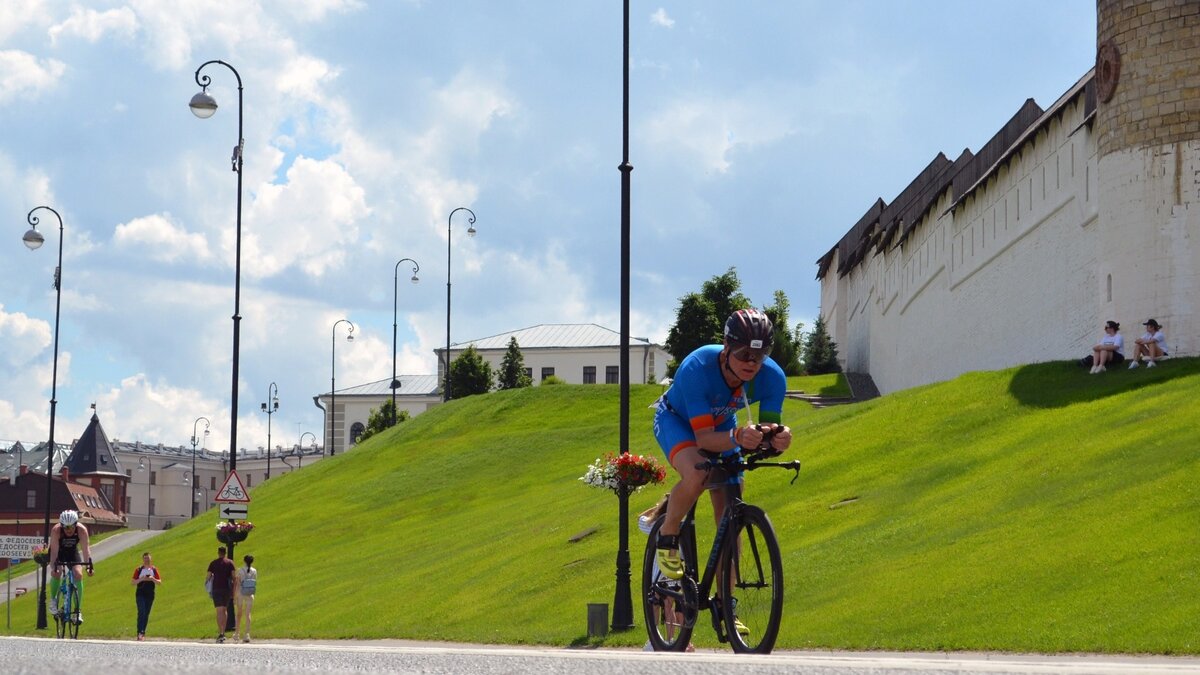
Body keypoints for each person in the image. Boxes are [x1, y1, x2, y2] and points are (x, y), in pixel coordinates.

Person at [651, 308, 793, 631]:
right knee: (698, 471)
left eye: (760, 355)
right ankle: (667, 535)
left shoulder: (772, 378)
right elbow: (702, 439)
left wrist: (777, 438)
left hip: (723, 427)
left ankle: (726, 604)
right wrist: (737, 437)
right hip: (678, 421)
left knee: (731, 514)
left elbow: (769, 426)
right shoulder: (698, 367)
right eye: (743, 353)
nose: (751, 363)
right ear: (726, 347)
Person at [638, 495, 695, 652]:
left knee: (656, 605)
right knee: (672, 606)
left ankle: (654, 639)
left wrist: (657, 507)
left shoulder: (656, 525)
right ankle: (673, 639)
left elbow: (640, 518)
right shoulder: (682, 525)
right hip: (677, 570)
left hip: (659, 570)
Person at [47, 509, 93, 621]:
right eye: (66, 527)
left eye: (71, 527)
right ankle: (53, 600)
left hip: (72, 552)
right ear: (61, 525)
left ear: (76, 524)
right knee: (57, 572)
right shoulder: (56, 531)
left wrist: (89, 567)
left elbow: (86, 550)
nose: (69, 530)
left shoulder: (82, 530)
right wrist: (54, 568)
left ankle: (77, 611)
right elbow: (53, 553)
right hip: (59, 552)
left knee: (78, 574)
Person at [206, 546, 236, 643]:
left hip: (216, 589)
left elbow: (208, 577)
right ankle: (223, 631)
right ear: (225, 552)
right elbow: (234, 577)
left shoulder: (213, 563)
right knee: (224, 610)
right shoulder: (230, 563)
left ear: (218, 553)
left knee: (219, 611)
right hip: (226, 589)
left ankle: (221, 632)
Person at [131, 551, 161, 641]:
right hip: (140, 593)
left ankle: (143, 632)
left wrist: (152, 579)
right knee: (142, 611)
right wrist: (142, 578)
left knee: (146, 613)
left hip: (150, 594)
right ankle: (140, 632)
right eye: (145, 558)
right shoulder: (139, 569)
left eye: (148, 558)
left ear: (150, 559)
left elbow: (159, 582)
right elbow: (133, 582)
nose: (146, 560)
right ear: (143, 559)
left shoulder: (154, 569)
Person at [234, 554, 257, 644]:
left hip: (241, 593)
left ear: (244, 561)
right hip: (250, 593)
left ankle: (237, 633)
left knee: (239, 614)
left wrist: (235, 595)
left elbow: (238, 583)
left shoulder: (240, 570)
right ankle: (247, 634)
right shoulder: (254, 571)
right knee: (248, 614)